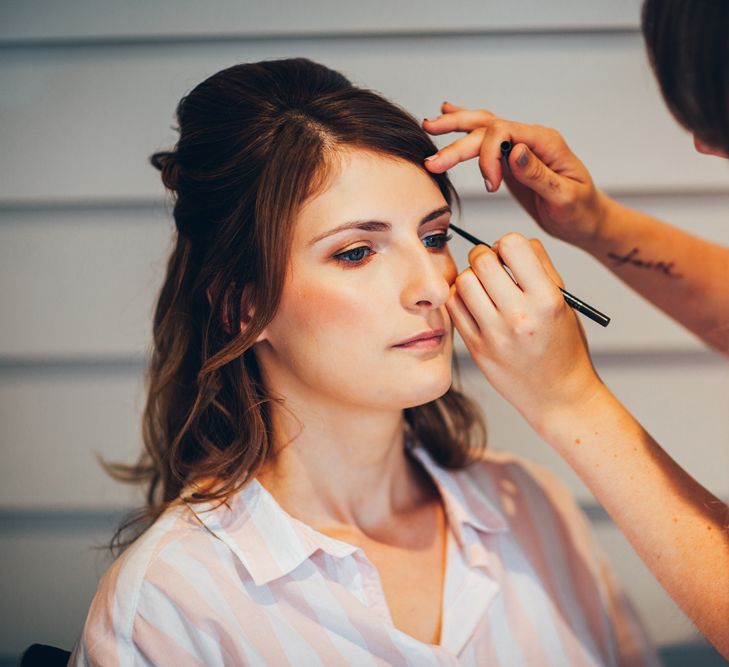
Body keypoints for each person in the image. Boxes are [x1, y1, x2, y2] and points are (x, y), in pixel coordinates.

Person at [69, 58, 659, 666]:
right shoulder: (168, 607)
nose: (431, 283)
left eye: (434, 238)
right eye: (356, 253)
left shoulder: (529, 505)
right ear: (243, 308)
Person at [421, 0, 729, 659]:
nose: (705, 147)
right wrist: (593, 223)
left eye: (431, 239)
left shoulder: (528, 507)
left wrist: (567, 399)